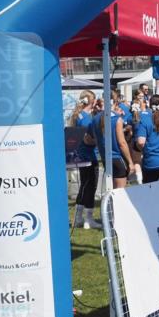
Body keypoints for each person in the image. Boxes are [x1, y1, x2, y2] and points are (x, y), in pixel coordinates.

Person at [85, 96, 133, 189]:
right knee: (120, 191)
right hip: (117, 158)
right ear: (114, 104)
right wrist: (130, 162)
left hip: (105, 158)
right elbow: (122, 143)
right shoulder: (117, 119)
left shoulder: (95, 119)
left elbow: (89, 139)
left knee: (111, 190)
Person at [69, 92, 101, 229]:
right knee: (90, 187)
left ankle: (78, 218)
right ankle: (88, 219)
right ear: (91, 101)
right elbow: (87, 139)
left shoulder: (78, 115)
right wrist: (100, 141)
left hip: (81, 156)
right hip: (89, 156)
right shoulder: (87, 118)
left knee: (84, 186)